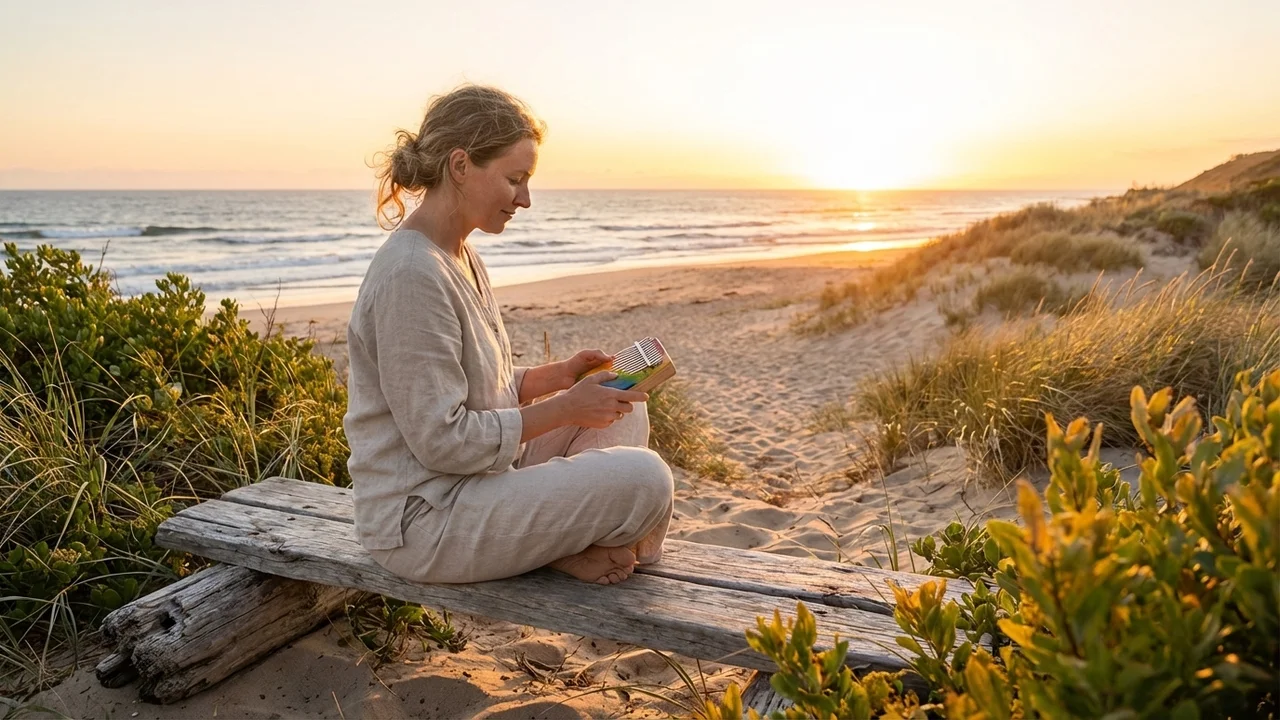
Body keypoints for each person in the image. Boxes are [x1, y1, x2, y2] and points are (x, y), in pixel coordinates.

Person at [343, 85, 673, 586]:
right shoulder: (410, 275)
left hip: (482, 484)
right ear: (460, 166)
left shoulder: (460, 254)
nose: (525, 199)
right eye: (514, 179)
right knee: (646, 478)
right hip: (424, 521)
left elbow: (473, 386)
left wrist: (555, 377)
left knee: (625, 404)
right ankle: (571, 545)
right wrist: (564, 408)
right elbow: (442, 441)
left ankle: (564, 545)